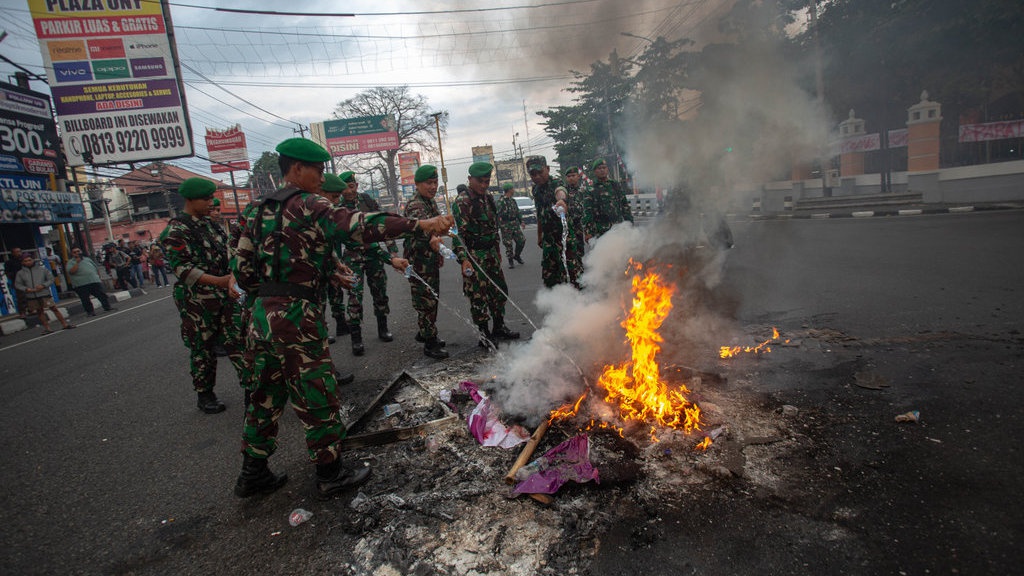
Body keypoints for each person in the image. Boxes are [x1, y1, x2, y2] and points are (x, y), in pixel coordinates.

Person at [231, 137, 452, 499]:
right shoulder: (308, 204)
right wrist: (420, 225)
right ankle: (331, 472)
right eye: (317, 170)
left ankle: (252, 472)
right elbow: (358, 226)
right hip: (296, 315)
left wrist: (282, 286)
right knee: (316, 392)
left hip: (261, 315)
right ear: (296, 169)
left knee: (263, 395)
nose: (321, 178)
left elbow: (241, 270)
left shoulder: (255, 210)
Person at [159, 177, 248, 415]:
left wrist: (231, 277)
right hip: (196, 300)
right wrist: (219, 281)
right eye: (206, 199)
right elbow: (183, 269)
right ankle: (205, 393)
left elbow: (227, 253)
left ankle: (252, 388)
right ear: (190, 200)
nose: (211, 203)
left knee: (238, 340)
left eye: (211, 198)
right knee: (203, 347)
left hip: (225, 295)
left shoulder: (211, 225)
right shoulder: (176, 230)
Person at [452, 162, 520, 348]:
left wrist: (497, 252)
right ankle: (484, 334)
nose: (484, 185)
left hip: (491, 253)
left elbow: (493, 228)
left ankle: (499, 327)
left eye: (487, 181)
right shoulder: (462, 202)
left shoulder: (488, 199)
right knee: (478, 296)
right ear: (470, 180)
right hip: (474, 256)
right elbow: (457, 234)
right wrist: (464, 260)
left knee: (499, 290)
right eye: (480, 181)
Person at [337, 170, 402, 356]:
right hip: (352, 258)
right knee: (354, 296)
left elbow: (382, 225)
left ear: (356, 186)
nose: (350, 191)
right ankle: (356, 339)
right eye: (346, 188)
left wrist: (393, 251)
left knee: (380, 292)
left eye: (352, 186)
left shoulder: (367, 201)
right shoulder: (339, 208)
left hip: (373, 254)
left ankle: (383, 328)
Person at [403, 164, 449, 359]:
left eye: (435, 182)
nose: (433, 186)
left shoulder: (429, 202)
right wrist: (435, 236)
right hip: (419, 261)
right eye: (429, 183)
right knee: (425, 301)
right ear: (418, 184)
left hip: (428, 260)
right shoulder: (416, 205)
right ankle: (430, 343)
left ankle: (427, 333)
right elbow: (427, 230)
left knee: (432, 297)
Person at [527, 155, 578, 288]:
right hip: (548, 240)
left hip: (564, 238)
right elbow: (540, 213)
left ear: (548, 169)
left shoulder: (556, 182)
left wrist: (561, 200)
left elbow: (560, 191)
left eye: (540, 172)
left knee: (571, 274)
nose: (537, 176)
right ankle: (556, 306)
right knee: (550, 277)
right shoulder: (536, 189)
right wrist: (539, 236)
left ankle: (579, 306)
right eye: (533, 174)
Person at [14, 253, 74, 333]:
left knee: (54, 308)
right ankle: (47, 328)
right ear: (22, 262)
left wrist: (43, 285)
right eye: (25, 261)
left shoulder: (42, 269)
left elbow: (51, 279)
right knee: (39, 311)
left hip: (44, 293)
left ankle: (65, 324)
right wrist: (26, 289)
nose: (28, 262)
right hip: (31, 295)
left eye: (29, 260)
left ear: (33, 260)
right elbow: (17, 284)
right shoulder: (20, 273)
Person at [582, 158, 633, 241]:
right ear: (595, 171)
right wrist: (588, 231)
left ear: (607, 169)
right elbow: (588, 212)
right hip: (600, 230)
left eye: (604, 167)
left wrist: (630, 223)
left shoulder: (615, 185)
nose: (602, 170)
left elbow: (625, 205)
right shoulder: (591, 189)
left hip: (618, 228)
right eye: (599, 168)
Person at [66, 247, 115, 316]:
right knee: (85, 299)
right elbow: (71, 272)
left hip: (94, 281)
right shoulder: (70, 262)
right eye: (75, 252)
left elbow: (96, 268)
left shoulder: (87, 259)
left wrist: (98, 277)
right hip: (81, 284)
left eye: (78, 251)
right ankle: (90, 312)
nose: (77, 253)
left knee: (101, 295)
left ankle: (107, 307)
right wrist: (77, 262)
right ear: (72, 254)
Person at [562, 166, 587, 280]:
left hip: (579, 226)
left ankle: (581, 274)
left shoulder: (583, 192)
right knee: (570, 252)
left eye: (573, 176)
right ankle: (572, 275)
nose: (571, 178)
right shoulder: (563, 192)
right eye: (569, 176)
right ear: (566, 178)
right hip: (568, 227)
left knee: (580, 251)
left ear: (578, 176)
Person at [497, 182, 526, 269]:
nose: (514, 190)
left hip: (515, 224)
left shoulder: (513, 201)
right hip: (506, 225)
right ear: (509, 190)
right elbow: (498, 214)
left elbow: (517, 212)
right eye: (513, 188)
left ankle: (517, 255)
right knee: (508, 244)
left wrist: (521, 221)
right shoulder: (501, 201)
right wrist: (499, 225)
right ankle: (510, 261)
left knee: (522, 240)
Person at [4, 247, 28, 318]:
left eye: (19, 251)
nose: (19, 253)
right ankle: (22, 312)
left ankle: (31, 309)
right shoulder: (9, 262)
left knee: (30, 295)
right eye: (16, 252)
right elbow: (8, 273)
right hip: (17, 281)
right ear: (13, 253)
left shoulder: (24, 261)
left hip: (28, 280)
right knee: (21, 297)